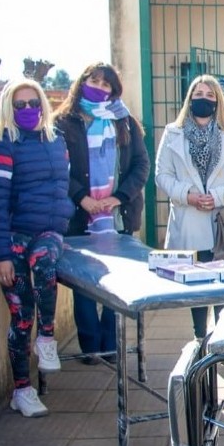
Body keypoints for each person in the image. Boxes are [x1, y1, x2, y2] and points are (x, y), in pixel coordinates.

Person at [0, 79, 75, 417]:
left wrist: (62, 222)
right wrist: (1, 256)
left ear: (43, 105)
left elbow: (62, 189)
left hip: (49, 233)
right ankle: (22, 390)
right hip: (13, 240)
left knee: (46, 264)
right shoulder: (1, 146)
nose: (27, 110)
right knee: (21, 318)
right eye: (19, 105)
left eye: (32, 103)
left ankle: (47, 339)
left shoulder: (56, 142)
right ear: (8, 108)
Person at [54, 63, 150, 363]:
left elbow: (141, 165)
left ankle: (111, 344)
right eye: (93, 81)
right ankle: (91, 347)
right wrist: (82, 198)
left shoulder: (126, 122)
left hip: (116, 215)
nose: (99, 87)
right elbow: (57, 168)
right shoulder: (63, 122)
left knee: (116, 282)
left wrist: (118, 198)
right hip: (79, 215)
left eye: (106, 84)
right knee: (85, 284)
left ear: (114, 90)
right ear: (81, 82)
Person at [155, 74, 224, 340]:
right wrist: (188, 195)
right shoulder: (172, 133)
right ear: (189, 99)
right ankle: (200, 339)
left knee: (222, 287)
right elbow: (161, 175)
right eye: (198, 94)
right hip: (189, 220)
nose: (203, 99)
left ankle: (222, 340)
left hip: (221, 221)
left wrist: (219, 195)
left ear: (218, 101)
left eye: (210, 95)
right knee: (196, 287)